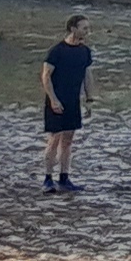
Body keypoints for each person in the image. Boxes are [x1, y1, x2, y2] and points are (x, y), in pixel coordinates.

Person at [41, 13, 95, 193]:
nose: (87, 32)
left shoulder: (85, 52)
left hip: (74, 101)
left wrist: (89, 99)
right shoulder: (57, 51)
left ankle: (64, 177)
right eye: (84, 28)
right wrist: (53, 99)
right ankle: (48, 179)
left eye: (88, 28)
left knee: (68, 140)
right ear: (73, 28)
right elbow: (46, 76)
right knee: (54, 138)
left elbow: (87, 76)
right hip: (56, 99)